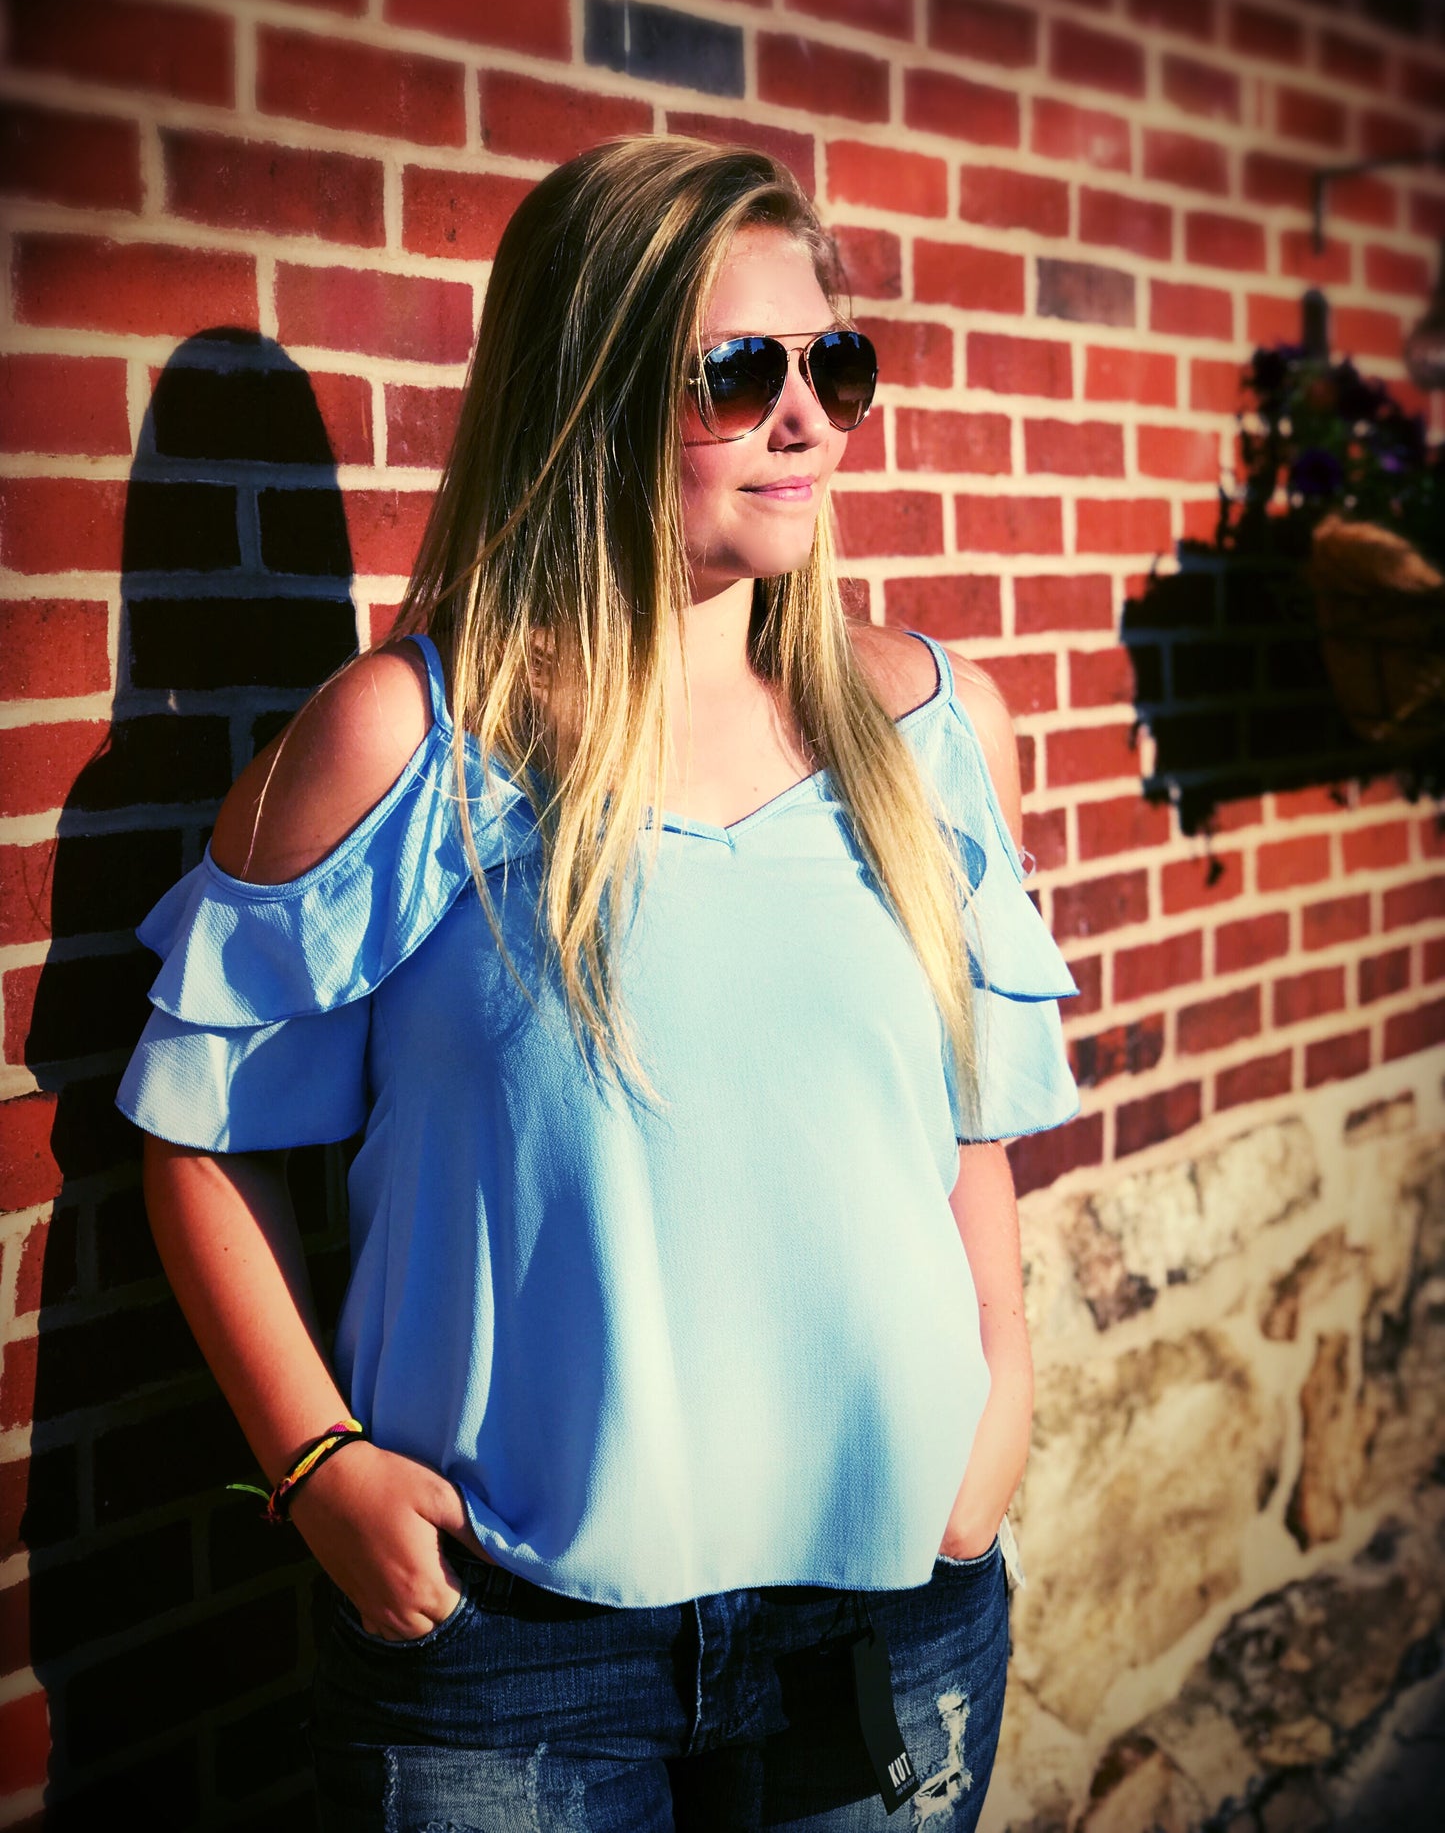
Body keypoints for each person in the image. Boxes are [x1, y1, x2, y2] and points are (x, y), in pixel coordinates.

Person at [118, 137, 1079, 1831]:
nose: (808, 420)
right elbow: (197, 1133)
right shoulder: (407, 744)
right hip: (511, 1650)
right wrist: (319, 1469)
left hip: (888, 1613)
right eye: (740, 373)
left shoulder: (929, 731)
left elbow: (966, 1123)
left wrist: (995, 1404)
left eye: (834, 366)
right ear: (590, 393)